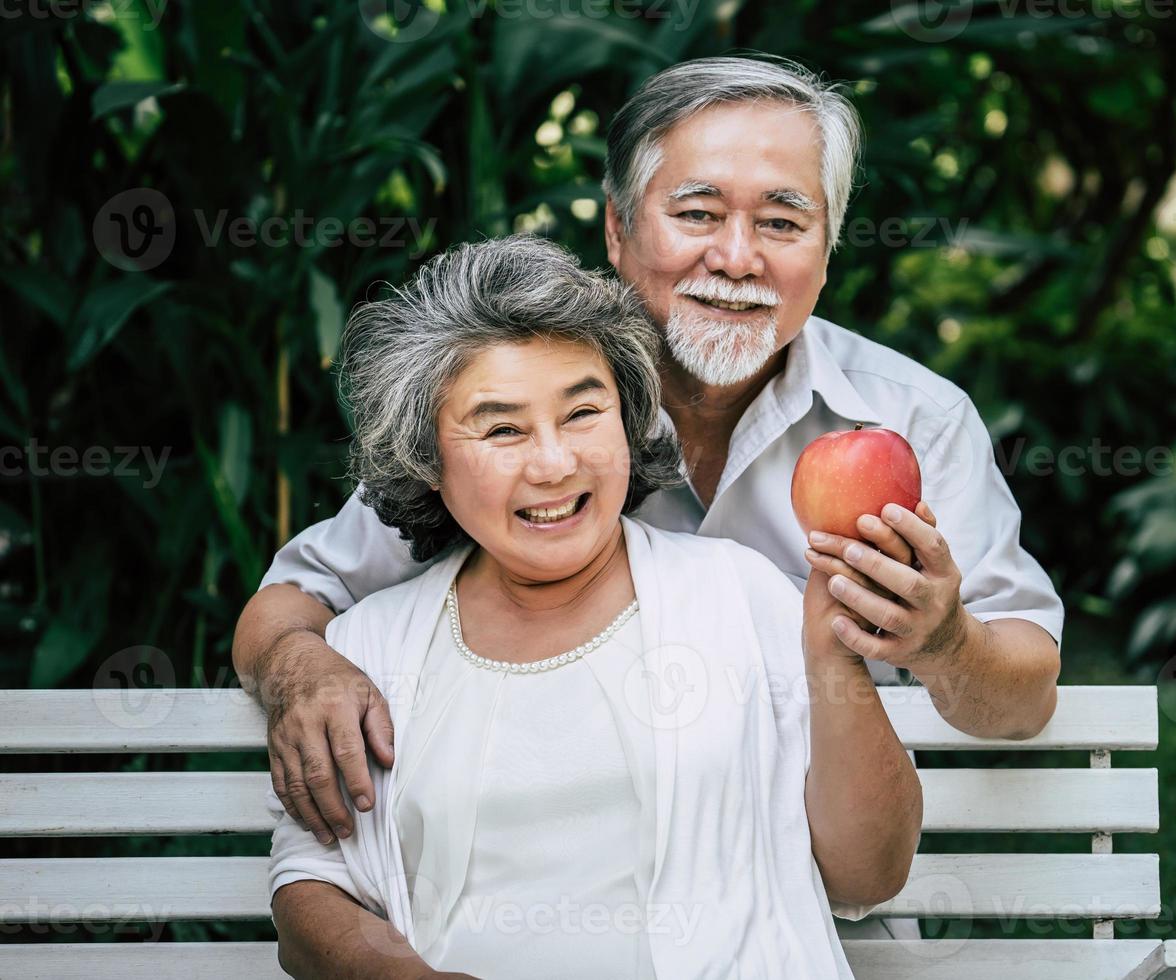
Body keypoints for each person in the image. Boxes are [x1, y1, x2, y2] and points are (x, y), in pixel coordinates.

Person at [235, 53, 1063, 943]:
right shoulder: (526, 401)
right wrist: (303, 669)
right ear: (620, 231)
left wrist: (944, 643)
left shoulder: (914, 419)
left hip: (814, 918)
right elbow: (295, 602)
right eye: (697, 213)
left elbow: (1020, 697)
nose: (737, 258)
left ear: (828, 248)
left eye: (783, 221)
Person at [267, 235, 920, 979]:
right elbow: (308, 891)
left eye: (583, 412)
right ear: (427, 460)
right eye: (502, 429)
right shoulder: (370, 648)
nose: (554, 463)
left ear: (628, 418)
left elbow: (871, 876)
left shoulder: (743, 594)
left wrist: (834, 654)